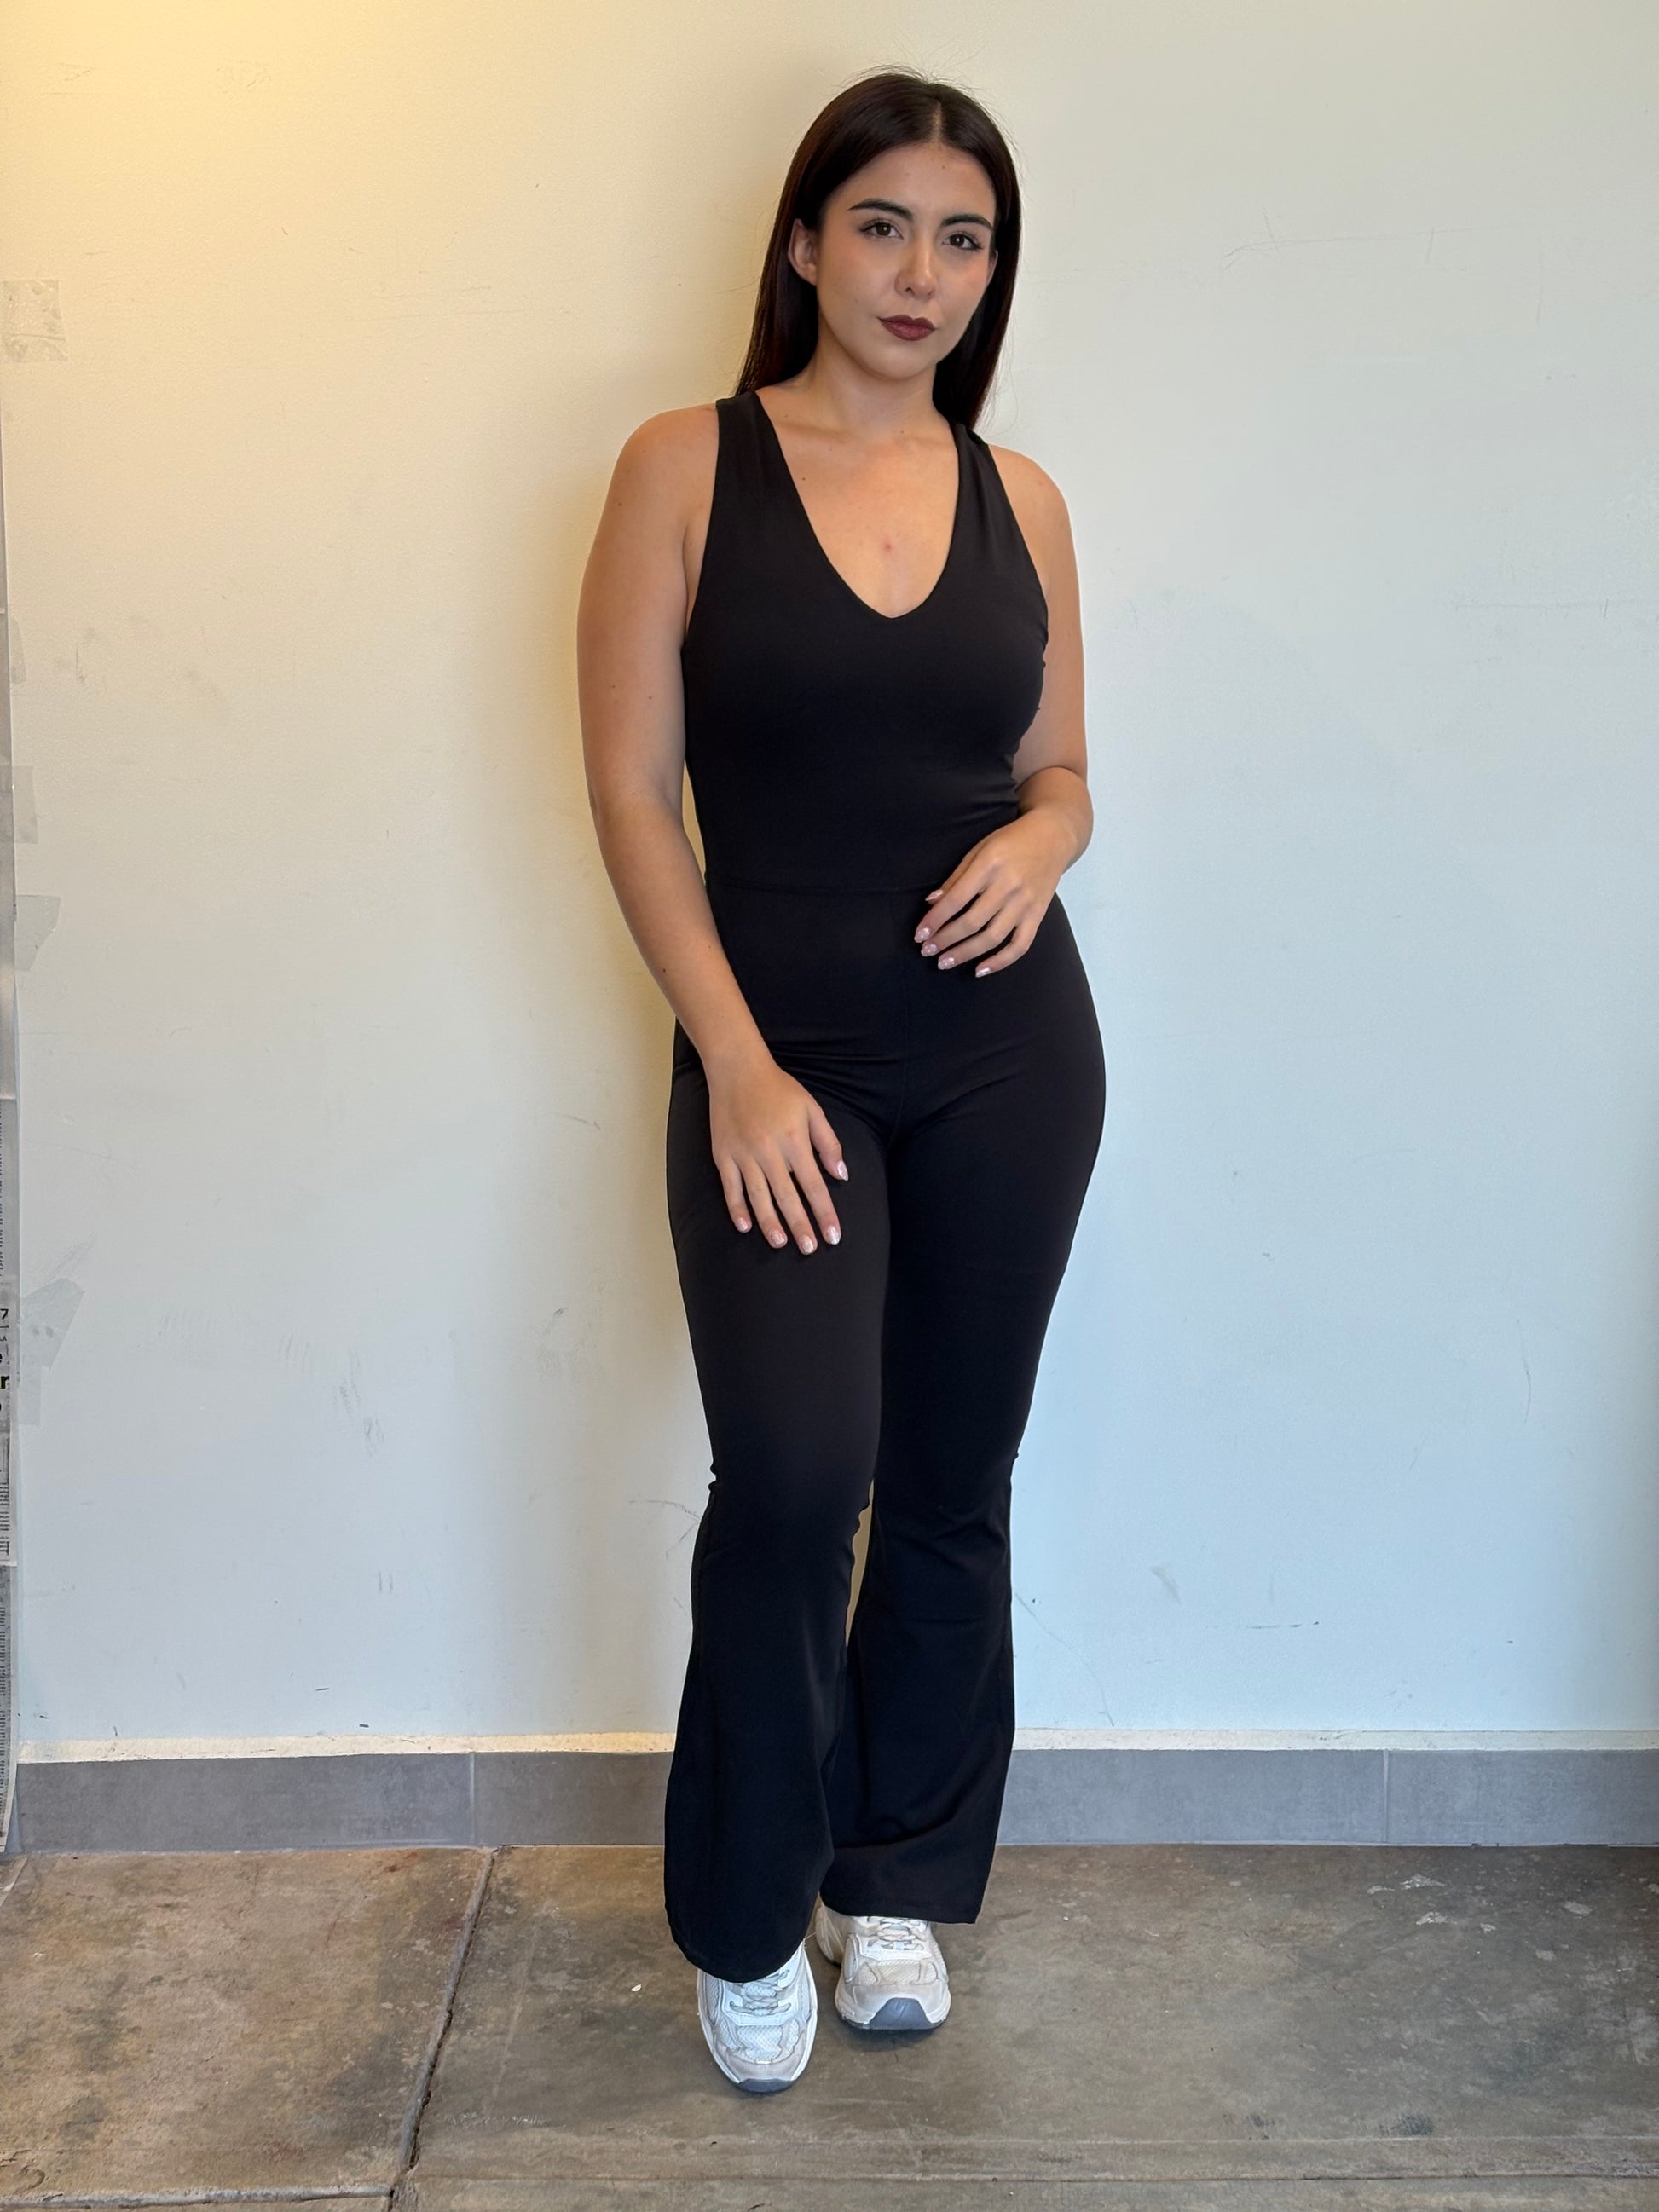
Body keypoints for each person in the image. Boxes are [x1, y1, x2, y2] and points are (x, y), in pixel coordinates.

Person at [577, 67, 1107, 2093]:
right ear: (803, 240)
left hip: (1007, 1051)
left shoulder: (1022, 497)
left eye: (964, 238)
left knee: (950, 1481)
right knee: (799, 1476)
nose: (921, 273)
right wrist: (732, 1060)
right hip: (773, 1050)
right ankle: (744, 1909)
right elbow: (633, 793)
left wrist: (1044, 840)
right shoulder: (682, 465)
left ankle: (892, 1870)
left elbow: (1063, 769)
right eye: (883, 223)